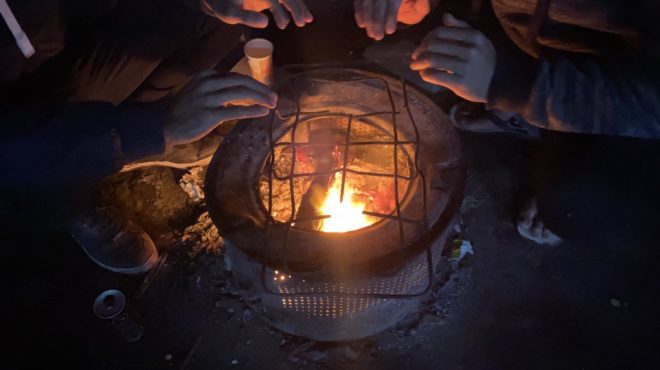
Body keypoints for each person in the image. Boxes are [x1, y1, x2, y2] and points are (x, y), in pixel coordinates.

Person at [0, 0, 312, 274]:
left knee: (220, 17)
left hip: (59, 47)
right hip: (15, 122)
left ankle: (144, 135)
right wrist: (154, 127)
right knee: (34, 164)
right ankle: (69, 200)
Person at [354, 0, 660, 245]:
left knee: (575, 206)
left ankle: (543, 127)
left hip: (615, 85)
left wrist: (512, 83)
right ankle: (514, 106)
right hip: (520, 29)